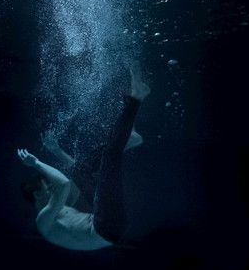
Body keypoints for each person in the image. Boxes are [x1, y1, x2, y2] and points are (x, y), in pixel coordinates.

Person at [17, 67, 150, 250]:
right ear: (38, 194)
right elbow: (62, 184)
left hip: (108, 222)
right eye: (48, 187)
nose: (52, 188)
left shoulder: (61, 207)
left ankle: (129, 140)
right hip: (105, 226)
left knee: (84, 168)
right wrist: (36, 163)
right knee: (111, 154)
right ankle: (137, 97)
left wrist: (56, 150)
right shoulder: (44, 220)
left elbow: (80, 173)